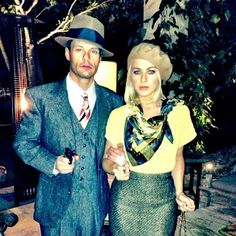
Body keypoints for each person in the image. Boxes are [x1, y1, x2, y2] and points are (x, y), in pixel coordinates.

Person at [13, 14, 123, 236]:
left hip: (95, 205)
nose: (87, 57)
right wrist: (52, 162)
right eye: (79, 49)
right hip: (55, 206)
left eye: (94, 51)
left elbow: (114, 147)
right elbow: (23, 143)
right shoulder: (41, 97)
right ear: (67, 53)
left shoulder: (114, 102)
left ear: (100, 58)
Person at [102, 42, 197, 235]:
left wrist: (179, 192)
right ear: (130, 77)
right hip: (125, 198)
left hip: (163, 199)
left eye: (151, 71)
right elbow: (105, 161)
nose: (143, 78)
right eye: (137, 72)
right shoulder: (119, 115)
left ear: (160, 76)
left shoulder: (178, 112)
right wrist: (114, 167)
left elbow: (178, 157)